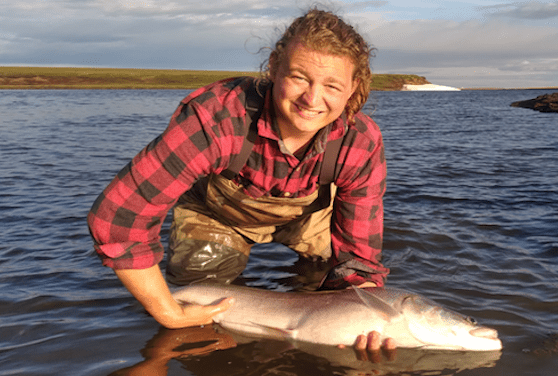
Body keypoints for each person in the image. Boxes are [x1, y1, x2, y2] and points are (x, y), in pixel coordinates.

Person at [87, 8, 393, 351]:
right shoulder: (217, 118)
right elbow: (118, 217)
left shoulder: (360, 141)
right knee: (197, 301)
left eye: (332, 85)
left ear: (354, 88)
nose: (311, 99)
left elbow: (359, 261)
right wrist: (166, 311)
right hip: (216, 215)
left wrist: (363, 311)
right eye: (299, 77)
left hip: (309, 221)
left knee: (328, 279)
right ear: (274, 67)